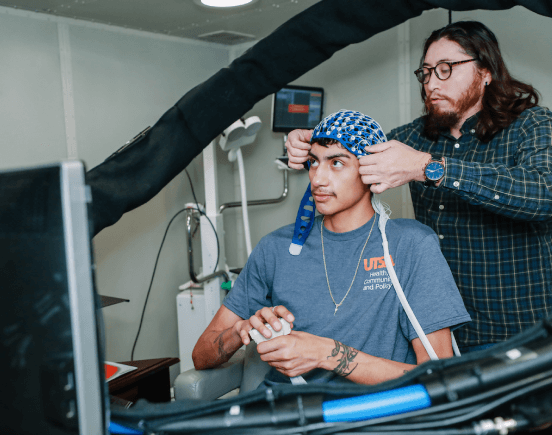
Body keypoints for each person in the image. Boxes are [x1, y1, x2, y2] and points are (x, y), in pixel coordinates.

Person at [286, 21, 552, 354]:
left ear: (485, 71)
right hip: (441, 333)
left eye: (445, 69)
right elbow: (344, 154)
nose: (431, 84)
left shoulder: (531, 123)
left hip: (525, 331)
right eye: (425, 73)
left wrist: (428, 169)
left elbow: (543, 195)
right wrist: (306, 145)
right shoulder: (412, 137)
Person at [193, 110, 470, 386]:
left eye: (337, 163)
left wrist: (327, 354)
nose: (318, 179)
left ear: (371, 169)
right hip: (287, 415)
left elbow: (439, 377)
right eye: (313, 162)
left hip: (370, 416)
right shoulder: (275, 248)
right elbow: (201, 356)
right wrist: (241, 332)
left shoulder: (410, 246)